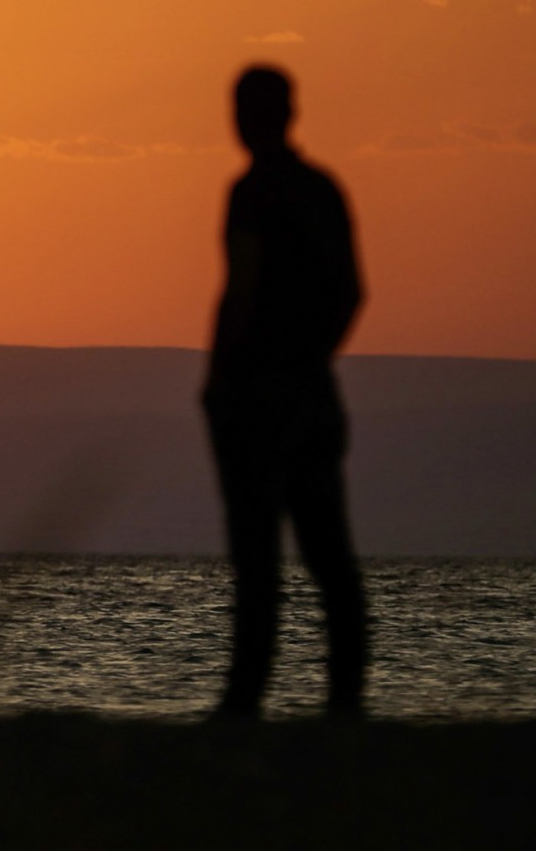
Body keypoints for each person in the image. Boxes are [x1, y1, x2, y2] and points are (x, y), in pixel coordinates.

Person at [204, 65, 368, 717]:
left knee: (258, 555)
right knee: (329, 554)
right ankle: (344, 702)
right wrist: (312, 358)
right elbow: (351, 292)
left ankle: (245, 699)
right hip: (310, 393)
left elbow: (241, 289)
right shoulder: (322, 190)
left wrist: (224, 376)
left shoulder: (253, 193)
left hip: (256, 396)